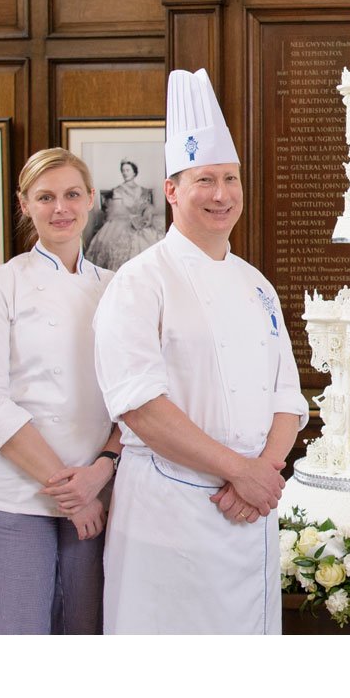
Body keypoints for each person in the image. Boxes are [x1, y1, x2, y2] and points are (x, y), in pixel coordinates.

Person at [95, 69, 306, 634]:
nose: (221, 195)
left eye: (231, 179)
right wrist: (241, 472)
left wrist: (261, 473)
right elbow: (139, 405)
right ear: (171, 190)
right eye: (204, 180)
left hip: (248, 509)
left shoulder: (256, 283)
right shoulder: (141, 282)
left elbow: (288, 395)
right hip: (171, 510)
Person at [0, 148, 120, 635]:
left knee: (87, 634)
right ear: (24, 204)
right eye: (45, 197)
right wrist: (73, 493)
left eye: (72, 194)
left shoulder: (118, 289)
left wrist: (99, 473)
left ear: (91, 199)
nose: (61, 208)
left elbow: (134, 401)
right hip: (13, 493)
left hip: (99, 488)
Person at [86, 159, 159, 271]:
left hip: (142, 222)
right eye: (123, 170)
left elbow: (147, 207)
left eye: (127, 170)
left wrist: (146, 216)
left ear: (134, 172)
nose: (125, 173)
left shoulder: (143, 190)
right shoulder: (118, 190)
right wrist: (132, 219)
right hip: (121, 222)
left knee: (154, 240)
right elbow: (117, 210)